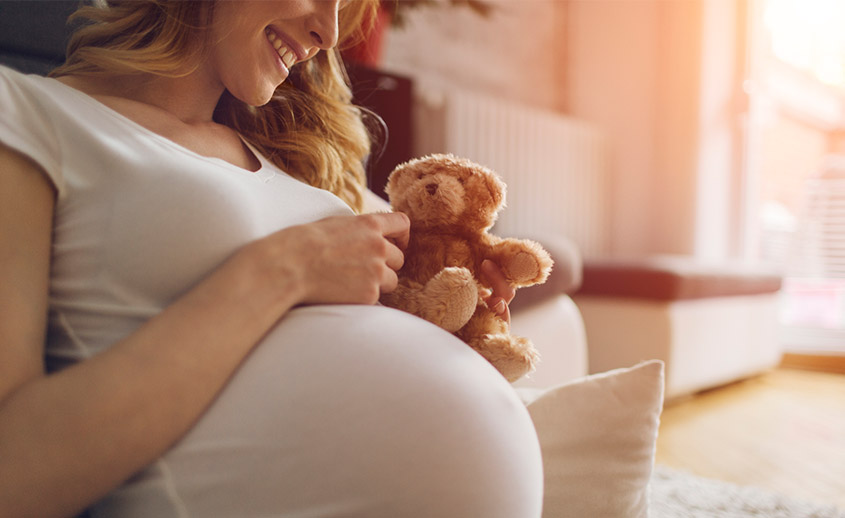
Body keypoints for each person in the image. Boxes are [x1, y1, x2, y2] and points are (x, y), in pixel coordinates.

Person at [0, 1, 544, 516]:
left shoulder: (287, 153)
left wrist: (452, 305)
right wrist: (283, 270)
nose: (328, 33)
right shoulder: (27, 112)